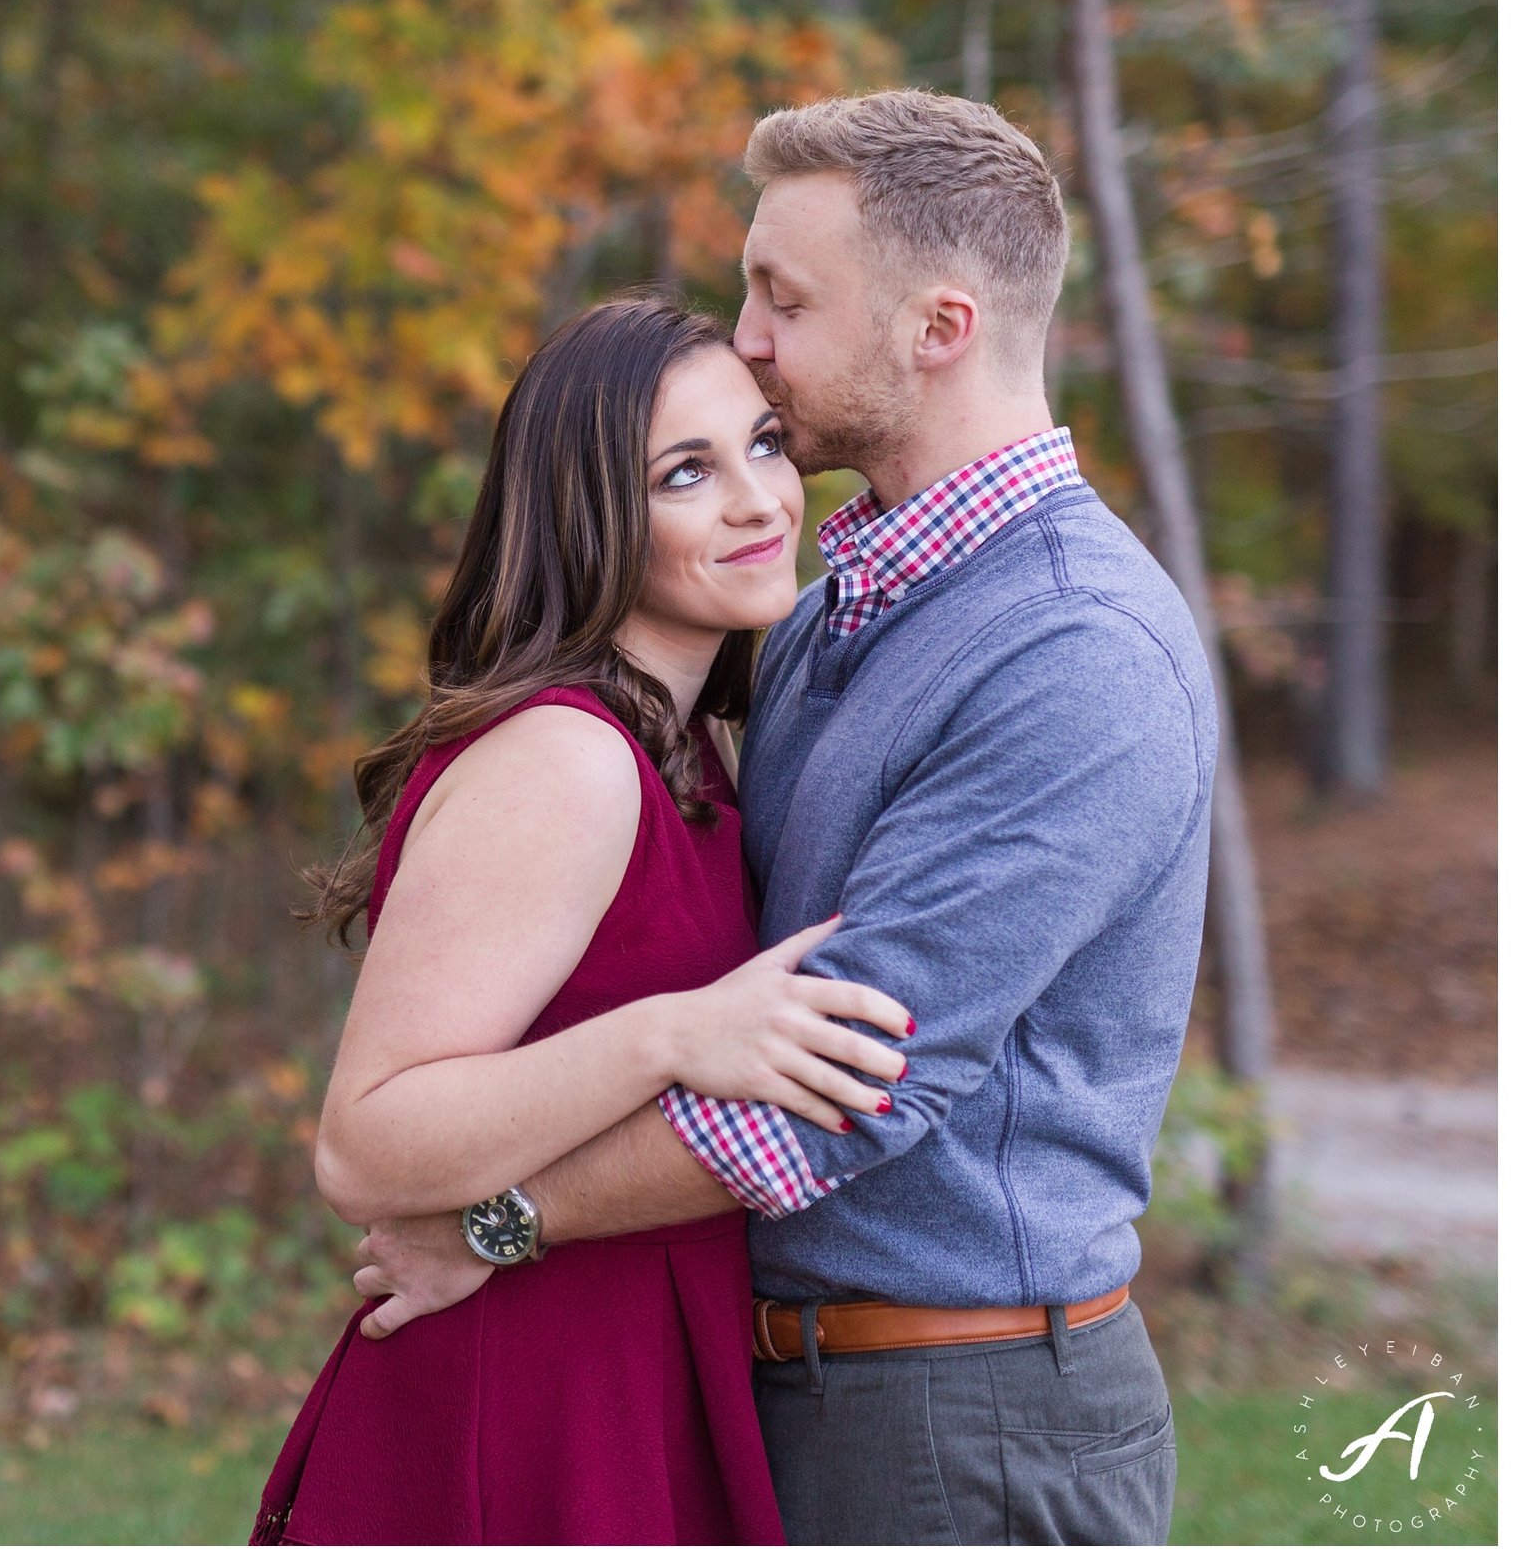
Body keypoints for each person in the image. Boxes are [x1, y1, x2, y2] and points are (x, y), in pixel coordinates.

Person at [342, 89, 1213, 1546]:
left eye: (782, 298)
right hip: (785, 1384)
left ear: (936, 329)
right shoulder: (824, 620)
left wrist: (499, 1222)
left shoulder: (1074, 652)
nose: (744, 336)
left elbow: (843, 1086)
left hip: (961, 1403)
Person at [248, 294, 915, 1546]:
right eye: (686, 473)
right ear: (589, 514)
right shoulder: (568, 758)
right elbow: (364, 1144)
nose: (762, 502)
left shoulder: (690, 749)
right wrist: (670, 1034)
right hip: (527, 1403)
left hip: (629, 1357)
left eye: (765, 445)